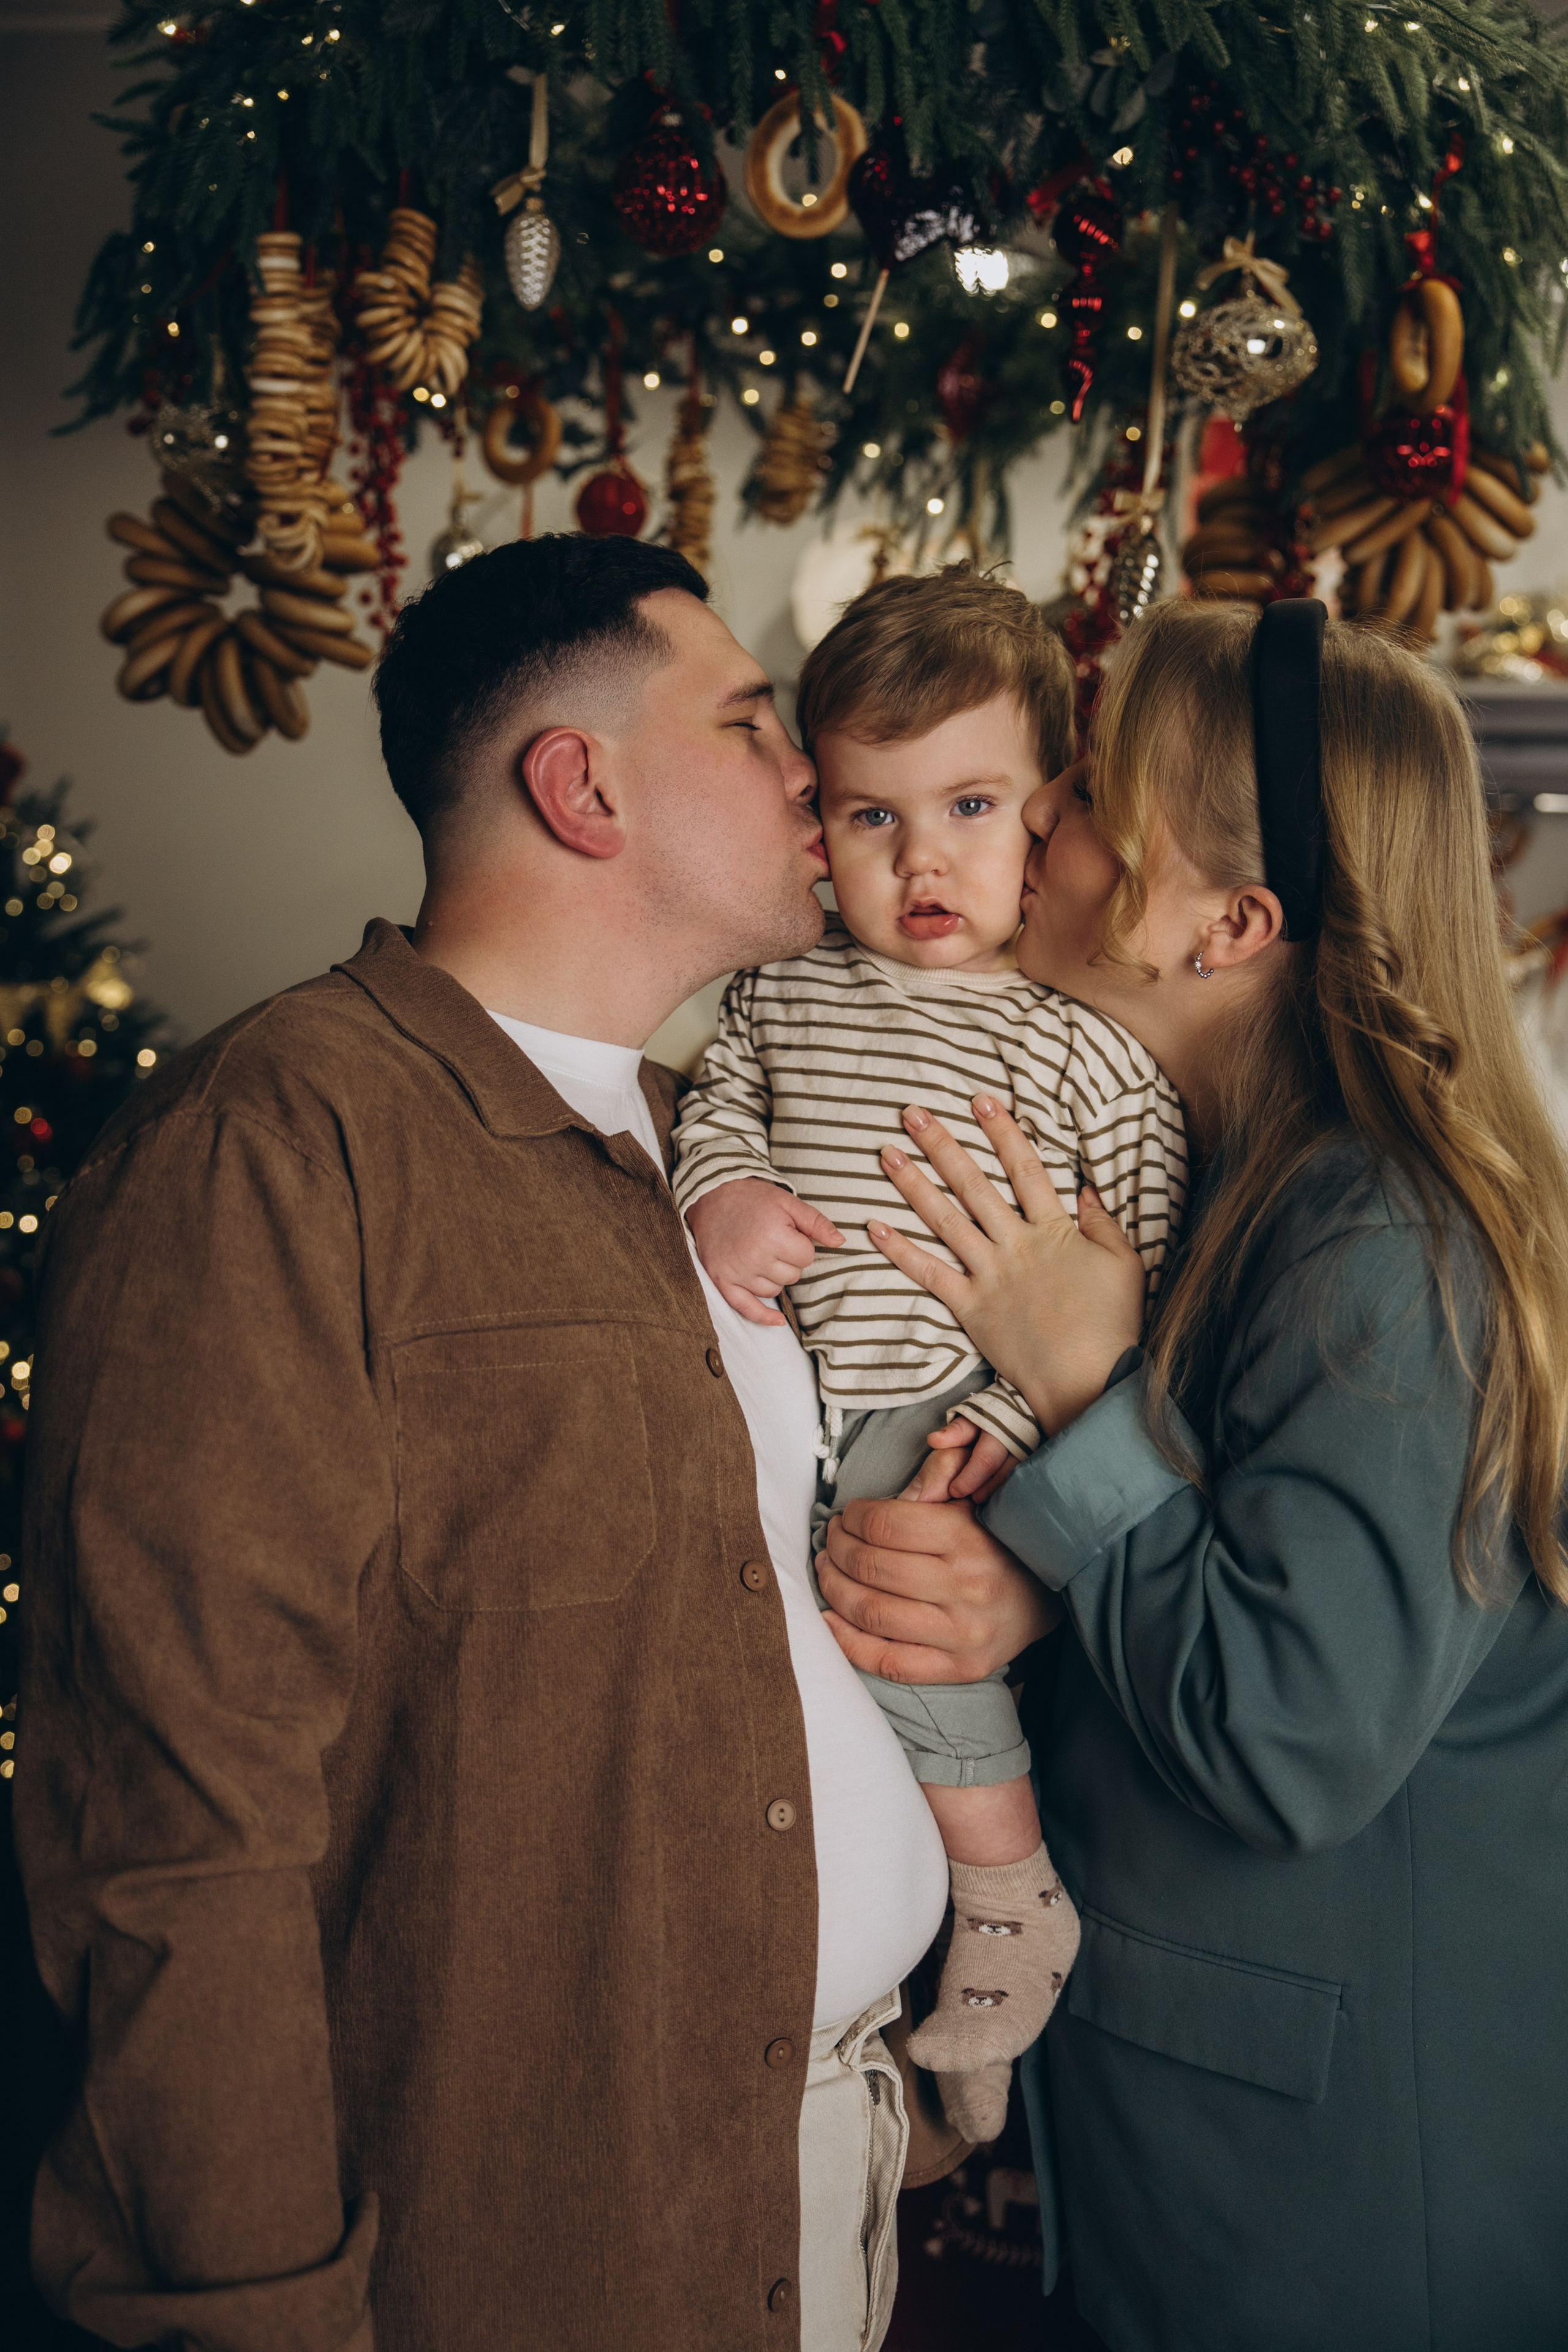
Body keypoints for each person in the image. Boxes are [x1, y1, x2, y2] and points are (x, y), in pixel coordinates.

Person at [15, 535, 956, 2352]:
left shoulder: (714, 1145)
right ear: (581, 783)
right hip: (533, 2235)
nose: (807, 776)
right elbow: (175, 1835)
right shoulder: (274, 1145)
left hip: (822, 2158)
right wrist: (254, 2319)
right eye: (755, 721)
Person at [815, 598, 1568, 2351]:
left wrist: (1080, 1381)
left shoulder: (1385, 1246)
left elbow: (1295, 1735)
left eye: (1089, 799)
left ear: (1230, 922)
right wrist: (1028, 1587)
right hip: (1200, 2155)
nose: (1042, 823)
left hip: (1343, 2211)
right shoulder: (1229, 1188)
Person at [673, 567, 1186, 2134]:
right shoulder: (774, 996)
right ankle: (887, 2001)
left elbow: (1138, 1263)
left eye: (968, 807)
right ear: (814, 824)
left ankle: (1008, 1896)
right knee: (809, 1692)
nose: (920, 861)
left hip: (956, 1408)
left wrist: (1032, 1427)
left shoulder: (1077, 1039)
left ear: (1043, 817)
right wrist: (724, 1194)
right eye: (868, 817)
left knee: (907, 1615)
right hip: (802, 1405)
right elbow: (713, 1111)